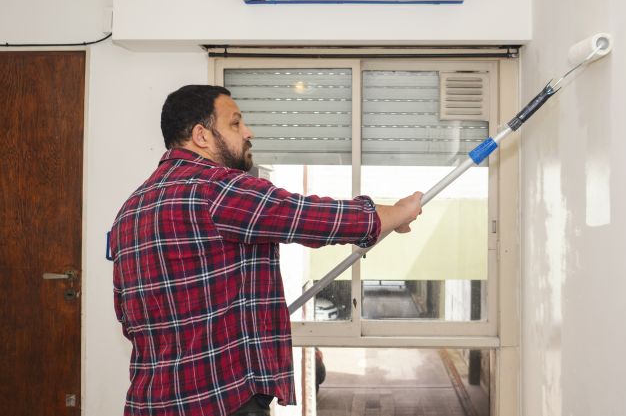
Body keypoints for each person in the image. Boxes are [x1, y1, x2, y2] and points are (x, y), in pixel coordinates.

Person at [110, 85, 422, 416]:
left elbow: (127, 318)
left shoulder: (131, 209)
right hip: (219, 401)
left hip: (151, 402)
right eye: (235, 123)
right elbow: (308, 217)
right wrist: (398, 212)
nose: (248, 132)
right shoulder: (216, 188)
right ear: (201, 136)